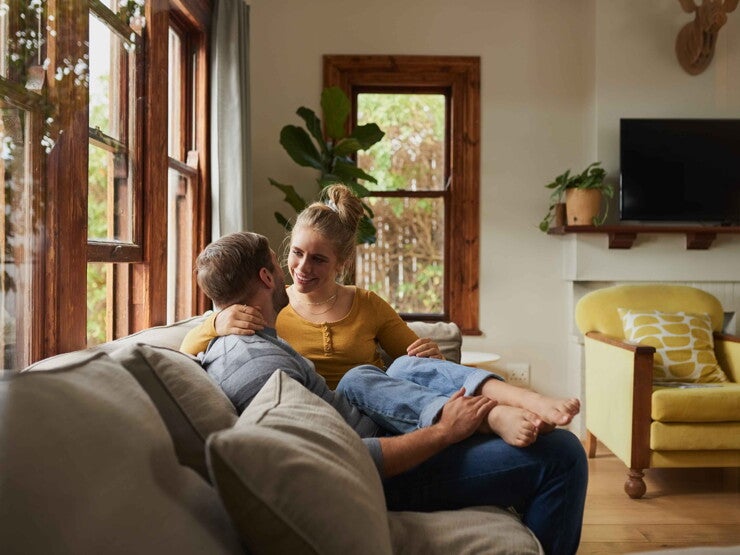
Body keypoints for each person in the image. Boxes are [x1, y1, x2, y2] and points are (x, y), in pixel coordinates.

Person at [196, 231, 588, 554]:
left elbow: (406, 353)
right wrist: (444, 432)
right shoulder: (254, 363)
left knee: (378, 371)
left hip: (376, 416)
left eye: (317, 259)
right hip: (384, 467)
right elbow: (339, 458)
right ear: (266, 278)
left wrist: (428, 360)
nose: (293, 272)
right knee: (564, 454)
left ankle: (513, 401)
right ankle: (490, 415)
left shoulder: (243, 343)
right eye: (284, 263)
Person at [181, 184, 444, 388]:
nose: (303, 268)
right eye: (297, 252)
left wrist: (431, 355)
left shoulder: (367, 304)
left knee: (376, 377)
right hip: (314, 418)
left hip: (372, 411)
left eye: (318, 259)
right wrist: (216, 323)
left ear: (341, 263)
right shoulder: (271, 305)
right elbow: (185, 352)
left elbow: (423, 363)